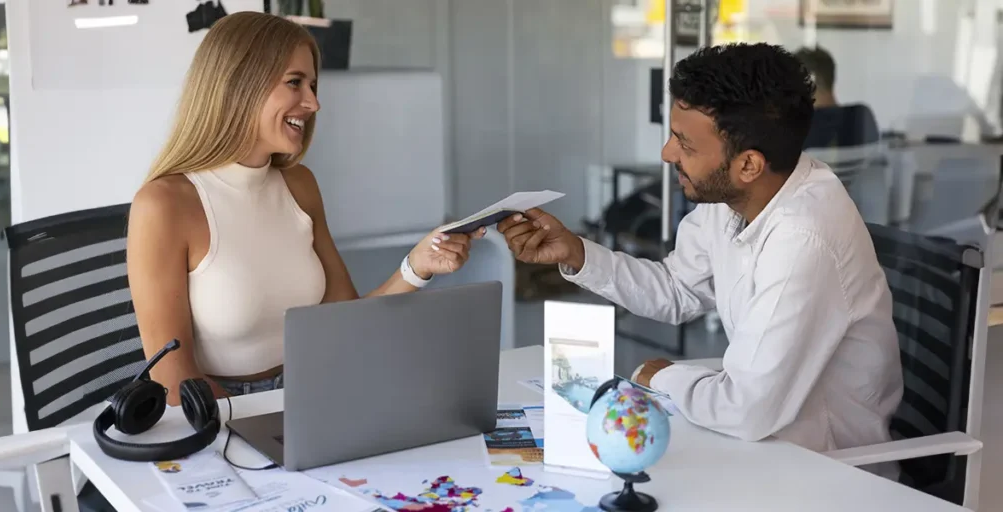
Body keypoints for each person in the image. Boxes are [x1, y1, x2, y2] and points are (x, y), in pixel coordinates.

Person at [497, 42, 903, 478]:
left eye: (685, 144)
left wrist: (665, 376)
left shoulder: (804, 237)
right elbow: (677, 289)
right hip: (763, 443)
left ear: (748, 163)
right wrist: (578, 253)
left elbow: (746, 410)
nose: (667, 154)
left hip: (827, 471)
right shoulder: (736, 194)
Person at [127, 12, 484, 405]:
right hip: (220, 412)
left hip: (312, 390)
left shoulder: (300, 186)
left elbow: (347, 321)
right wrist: (265, 422)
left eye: (312, 85)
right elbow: (172, 376)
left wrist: (418, 266)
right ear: (238, 84)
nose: (313, 103)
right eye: (294, 83)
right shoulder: (164, 205)